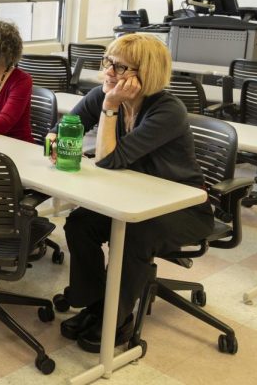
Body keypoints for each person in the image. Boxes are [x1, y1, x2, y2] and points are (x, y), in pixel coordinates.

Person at [50, 33, 213, 353]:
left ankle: (117, 317)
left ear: (146, 72)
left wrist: (110, 106)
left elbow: (110, 160)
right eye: (108, 62)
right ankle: (96, 304)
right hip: (130, 198)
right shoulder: (102, 93)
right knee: (80, 223)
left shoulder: (167, 110)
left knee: (136, 233)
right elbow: (63, 128)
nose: (109, 72)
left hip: (183, 207)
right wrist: (56, 142)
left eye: (121, 67)